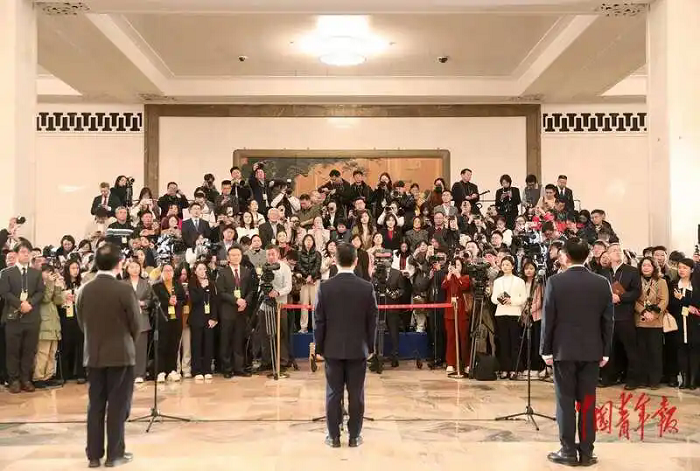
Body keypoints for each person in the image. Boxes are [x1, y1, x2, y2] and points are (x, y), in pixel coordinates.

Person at [540, 237, 613, 466]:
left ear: (565, 257)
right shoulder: (602, 282)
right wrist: (606, 351)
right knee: (588, 402)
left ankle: (568, 451)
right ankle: (587, 452)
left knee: (565, 402)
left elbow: (548, 318)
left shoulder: (555, 282)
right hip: (592, 350)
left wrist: (545, 350)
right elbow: (608, 320)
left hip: (563, 350)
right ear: (588, 256)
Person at [75, 243, 140, 468]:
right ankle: (114, 454)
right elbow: (136, 324)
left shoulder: (84, 289)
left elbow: (81, 322)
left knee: (95, 405)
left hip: (93, 354)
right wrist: (127, 342)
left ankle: (93, 455)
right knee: (118, 406)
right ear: (119, 264)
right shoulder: (124, 290)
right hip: (121, 355)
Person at [314, 242, 378, 448]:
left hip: (332, 349)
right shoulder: (366, 288)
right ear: (356, 261)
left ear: (335, 260)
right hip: (358, 349)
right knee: (356, 394)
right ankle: (354, 436)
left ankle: (333, 436)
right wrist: (370, 347)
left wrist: (319, 347)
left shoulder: (325, 287)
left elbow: (319, 321)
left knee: (333, 393)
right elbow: (372, 322)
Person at [0, 241, 46, 393]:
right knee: (13, 350)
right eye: (23, 252)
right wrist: (20, 304)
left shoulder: (36, 273)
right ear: (16, 254)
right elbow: (5, 292)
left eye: (28, 252)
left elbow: (40, 292)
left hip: (31, 317)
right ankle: (13, 379)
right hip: (13, 317)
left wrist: (29, 303)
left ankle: (25, 379)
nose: (26, 255)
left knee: (29, 349)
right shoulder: (7, 272)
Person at [601, 243, 641, 389]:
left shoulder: (632, 271)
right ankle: (608, 378)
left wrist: (620, 298)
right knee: (609, 350)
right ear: (608, 255)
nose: (617, 252)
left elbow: (636, 292)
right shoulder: (603, 272)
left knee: (630, 350)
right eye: (614, 251)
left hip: (625, 316)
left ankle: (633, 379)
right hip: (608, 317)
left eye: (619, 250)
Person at [216, 245, 255, 378]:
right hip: (227, 311)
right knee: (226, 340)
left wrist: (245, 302)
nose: (236, 257)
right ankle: (227, 369)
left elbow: (251, 290)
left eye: (238, 255)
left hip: (241, 311)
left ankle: (239, 367)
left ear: (241, 256)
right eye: (233, 255)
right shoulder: (222, 272)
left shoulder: (246, 272)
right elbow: (221, 292)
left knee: (239, 340)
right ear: (228, 257)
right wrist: (236, 300)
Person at [634, 257, 668, 389]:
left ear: (654, 267)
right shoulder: (636, 280)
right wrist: (643, 312)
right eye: (644, 265)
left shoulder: (661, 281)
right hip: (640, 320)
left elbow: (664, 300)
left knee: (655, 352)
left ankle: (654, 380)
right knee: (641, 351)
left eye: (649, 265)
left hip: (656, 321)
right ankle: (642, 379)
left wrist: (654, 314)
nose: (646, 268)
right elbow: (634, 299)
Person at [491, 256, 527, 379]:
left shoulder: (519, 281)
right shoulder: (497, 281)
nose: (505, 267)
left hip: (514, 313)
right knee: (504, 342)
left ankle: (515, 369)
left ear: (513, 266)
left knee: (514, 342)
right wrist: (500, 300)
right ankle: (504, 368)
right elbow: (493, 298)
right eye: (503, 265)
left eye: (507, 264)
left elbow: (523, 298)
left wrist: (512, 300)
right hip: (501, 313)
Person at [152, 263, 186, 382]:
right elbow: (154, 302)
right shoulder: (156, 286)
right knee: (162, 346)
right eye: (166, 270)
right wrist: (168, 302)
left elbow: (183, 299)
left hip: (176, 319)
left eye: (170, 270)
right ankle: (160, 371)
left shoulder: (177, 284)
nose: (168, 273)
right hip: (163, 319)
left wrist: (177, 302)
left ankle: (172, 370)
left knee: (174, 345)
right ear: (161, 272)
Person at [259, 245, 293, 369]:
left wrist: (278, 293)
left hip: (280, 305)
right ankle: (266, 361)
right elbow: (261, 284)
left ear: (278, 254)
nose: (270, 257)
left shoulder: (284, 267)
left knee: (281, 334)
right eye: (268, 254)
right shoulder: (264, 267)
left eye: (273, 254)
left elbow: (288, 287)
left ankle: (283, 361)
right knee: (265, 334)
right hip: (265, 305)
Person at [669, 258, 700, 389]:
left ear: (692, 270)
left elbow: (697, 304)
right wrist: (687, 306)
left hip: (695, 323)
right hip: (679, 322)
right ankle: (684, 380)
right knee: (681, 350)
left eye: (685, 268)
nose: (681, 270)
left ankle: (693, 381)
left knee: (694, 351)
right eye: (680, 267)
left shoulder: (696, 285)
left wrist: (682, 299)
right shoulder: (674, 284)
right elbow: (672, 304)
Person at [33, 265, 65, 388]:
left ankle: (48, 376)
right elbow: (45, 298)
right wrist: (50, 283)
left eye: (51, 272)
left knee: (52, 353)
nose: (49, 274)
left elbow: (58, 301)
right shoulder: (38, 286)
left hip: (54, 324)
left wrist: (58, 286)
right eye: (47, 272)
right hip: (43, 324)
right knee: (43, 352)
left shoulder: (51, 284)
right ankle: (38, 377)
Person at [123, 260, 154, 383]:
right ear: (127, 269)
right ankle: (128, 373)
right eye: (132, 267)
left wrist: (143, 303)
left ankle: (140, 373)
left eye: (137, 267)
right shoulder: (122, 283)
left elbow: (150, 299)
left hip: (142, 317)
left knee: (141, 348)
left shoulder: (145, 283)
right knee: (128, 348)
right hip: (126, 319)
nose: (135, 269)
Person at [188, 261, 218, 381]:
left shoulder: (211, 284)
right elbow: (195, 299)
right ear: (195, 271)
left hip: (209, 318)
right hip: (196, 318)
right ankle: (197, 370)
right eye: (199, 269)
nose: (202, 271)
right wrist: (202, 287)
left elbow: (214, 301)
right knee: (196, 344)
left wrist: (214, 318)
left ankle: (207, 369)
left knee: (208, 344)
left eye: (204, 269)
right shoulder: (192, 283)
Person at [441, 258, 470, 375]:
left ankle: (466, 363)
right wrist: (449, 274)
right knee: (451, 338)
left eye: (458, 265)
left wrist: (458, 275)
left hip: (462, 311)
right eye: (453, 265)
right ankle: (451, 363)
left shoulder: (465, 277)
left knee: (464, 338)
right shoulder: (448, 277)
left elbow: (464, 287)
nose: (455, 267)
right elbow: (444, 286)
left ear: (462, 266)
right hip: (450, 311)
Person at [60, 260, 86, 384]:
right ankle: (65, 373)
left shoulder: (82, 283)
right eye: (73, 268)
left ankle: (81, 373)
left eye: (77, 268)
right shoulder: (61, 283)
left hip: (79, 316)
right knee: (66, 345)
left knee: (81, 345)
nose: (75, 270)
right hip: (65, 316)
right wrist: (64, 297)